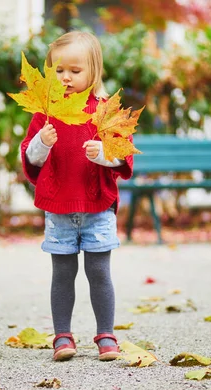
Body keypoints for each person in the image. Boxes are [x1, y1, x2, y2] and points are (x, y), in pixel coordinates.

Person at [20, 31, 134, 362]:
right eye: (59, 70)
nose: (66, 77)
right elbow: (31, 159)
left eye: (75, 70)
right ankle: (62, 336)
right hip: (59, 207)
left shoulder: (104, 111)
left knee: (99, 273)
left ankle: (106, 335)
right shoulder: (46, 111)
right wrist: (42, 142)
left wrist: (105, 154)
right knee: (63, 274)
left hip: (98, 206)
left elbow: (124, 158)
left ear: (93, 71)